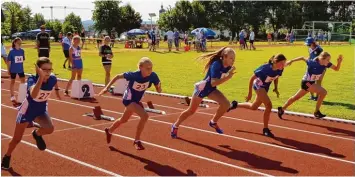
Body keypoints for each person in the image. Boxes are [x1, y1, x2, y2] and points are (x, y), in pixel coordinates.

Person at [1, 57, 61, 170]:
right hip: (26, 112)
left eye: (50, 69)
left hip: (40, 111)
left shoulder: (52, 79)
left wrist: (57, 92)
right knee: (16, 139)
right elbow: (33, 95)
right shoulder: (32, 80)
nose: (48, 72)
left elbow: (55, 81)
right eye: (45, 69)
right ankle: (7, 156)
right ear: (38, 69)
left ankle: (36, 134)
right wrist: (41, 78)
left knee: (50, 128)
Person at [171, 47, 236, 138]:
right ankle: (175, 125)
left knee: (225, 104)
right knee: (191, 111)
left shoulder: (228, 67)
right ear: (224, 57)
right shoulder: (216, 64)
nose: (233, 60)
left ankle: (213, 122)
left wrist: (229, 73)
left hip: (211, 90)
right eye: (231, 58)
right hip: (202, 88)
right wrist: (228, 77)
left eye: (234, 58)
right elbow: (213, 83)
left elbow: (216, 82)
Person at [98, 57, 161, 150]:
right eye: (147, 68)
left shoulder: (153, 76)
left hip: (136, 101)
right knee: (145, 116)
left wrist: (159, 87)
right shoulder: (134, 75)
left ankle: (109, 130)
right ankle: (137, 141)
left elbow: (159, 90)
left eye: (151, 68)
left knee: (123, 120)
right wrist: (106, 88)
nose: (150, 70)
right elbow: (117, 76)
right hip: (128, 100)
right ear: (140, 67)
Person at [229, 54, 287, 138]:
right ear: (275, 62)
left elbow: (276, 76)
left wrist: (276, 88)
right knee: (269, 105)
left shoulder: (280, 69)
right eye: (282, 63)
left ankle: (235, 104)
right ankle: (265, 129)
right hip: (258, 85)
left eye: (284, 63)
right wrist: (250, 93)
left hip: (265, 87)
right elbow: (252, 78)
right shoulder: (265, 68)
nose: (283, 65)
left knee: (254, 106)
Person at [278, 52, 343, 119]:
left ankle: (282, 109)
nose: (329, 61)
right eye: (328, 59)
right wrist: (291, 61)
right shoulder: (312, 63)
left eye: (329, 60)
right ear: (322, 59)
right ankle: (316, 111)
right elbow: (302, 58)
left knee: (295, 98)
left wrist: (339, 62)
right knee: (323, 92)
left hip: (311, 83)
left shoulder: (326, 64)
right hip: (306, 82)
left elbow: (336, 69)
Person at [7, 38, 26, 103]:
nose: (20, 44)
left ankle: (22, 95)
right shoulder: (11, 51)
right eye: (18, 43)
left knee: (23, 82)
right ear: (15, 43)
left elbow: (22, 59)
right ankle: (12, 96)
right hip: (13, 69)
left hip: (20, 69)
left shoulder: (22, 51)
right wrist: (8, 70)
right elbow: (9, 61)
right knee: (12, 82)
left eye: (20, 43)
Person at [305, 37, 323, 101]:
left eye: (309, 44)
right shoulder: (309, 49)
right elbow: (310, 56)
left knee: (318, 81)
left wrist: (317, 58)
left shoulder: (319, 49)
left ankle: (317, 96)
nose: (308, 46)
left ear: (313, 43)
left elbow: (322, 58)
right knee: (309, 81)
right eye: (308, 45)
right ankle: (312, 96)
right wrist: (308, 60)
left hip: (320, 67)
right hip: (311, 67)